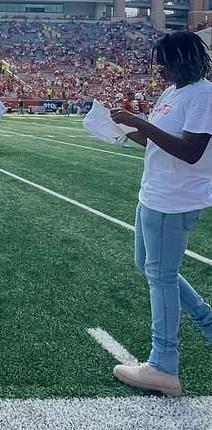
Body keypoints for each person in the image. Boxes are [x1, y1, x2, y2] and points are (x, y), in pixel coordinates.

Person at [110, 30, 212, 397]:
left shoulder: (203, 94)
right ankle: (207, 320)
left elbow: (190, 151)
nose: (161, 70)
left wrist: (140, 122)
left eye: (165, 62)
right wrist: (121, 129)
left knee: (161, 276)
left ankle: (163, 365)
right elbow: (157, 140)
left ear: (182, 59)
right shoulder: (174, 93)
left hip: (176, 200)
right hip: (154, 194)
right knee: (148, 265)